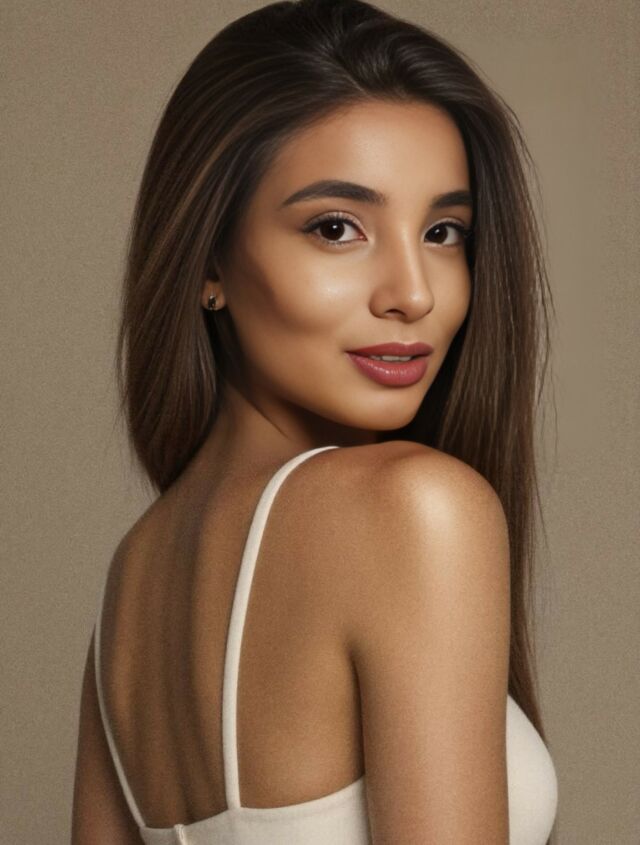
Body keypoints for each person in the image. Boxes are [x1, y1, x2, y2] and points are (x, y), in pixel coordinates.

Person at [71, 0, 559, 842]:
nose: (413, 292)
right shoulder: (413, 506)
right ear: (208, 259)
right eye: (338, 228)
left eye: (444, 231)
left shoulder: (134, 583)